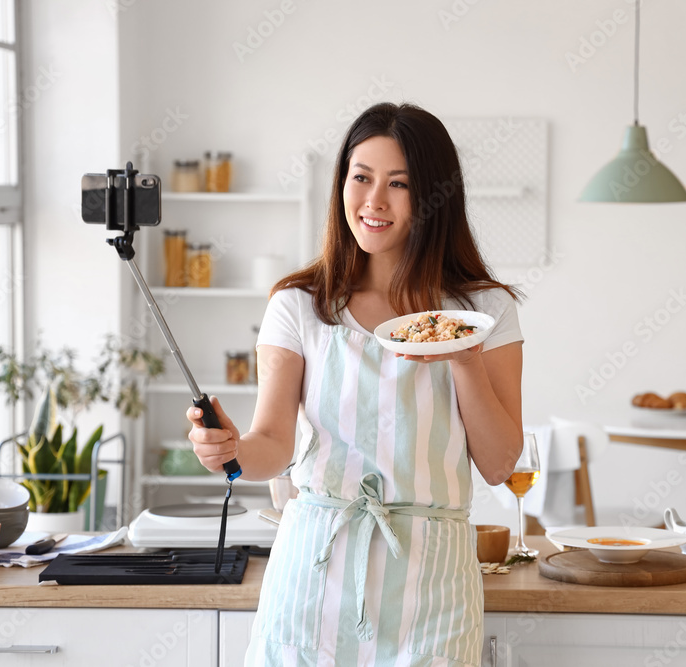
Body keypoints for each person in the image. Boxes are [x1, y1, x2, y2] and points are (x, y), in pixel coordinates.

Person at [188, 102, 524, 667]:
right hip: (312, 577)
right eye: (361, 178)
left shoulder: (484, 310)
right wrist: (228, 450)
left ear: (437, 197)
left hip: (432, 584)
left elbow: (498, 464)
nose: (374, 201)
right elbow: (271, 443)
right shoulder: (299, 305)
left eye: (400, 184)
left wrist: (463, 359)